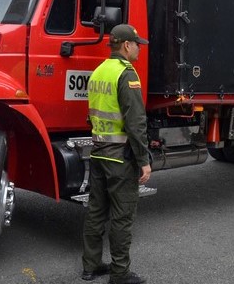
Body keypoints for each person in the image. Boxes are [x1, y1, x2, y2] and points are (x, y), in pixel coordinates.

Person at [82, 24, 151, 284]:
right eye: (137, 44)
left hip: (98, 153)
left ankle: (90, 266)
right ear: (126, 46)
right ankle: (120, 274)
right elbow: (136, 123)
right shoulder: (127, 74)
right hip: (120, 158)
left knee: (96, 212)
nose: (139, 49)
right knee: (122, 217)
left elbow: (92, 115)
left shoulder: (99, 71)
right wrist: (144, 161)